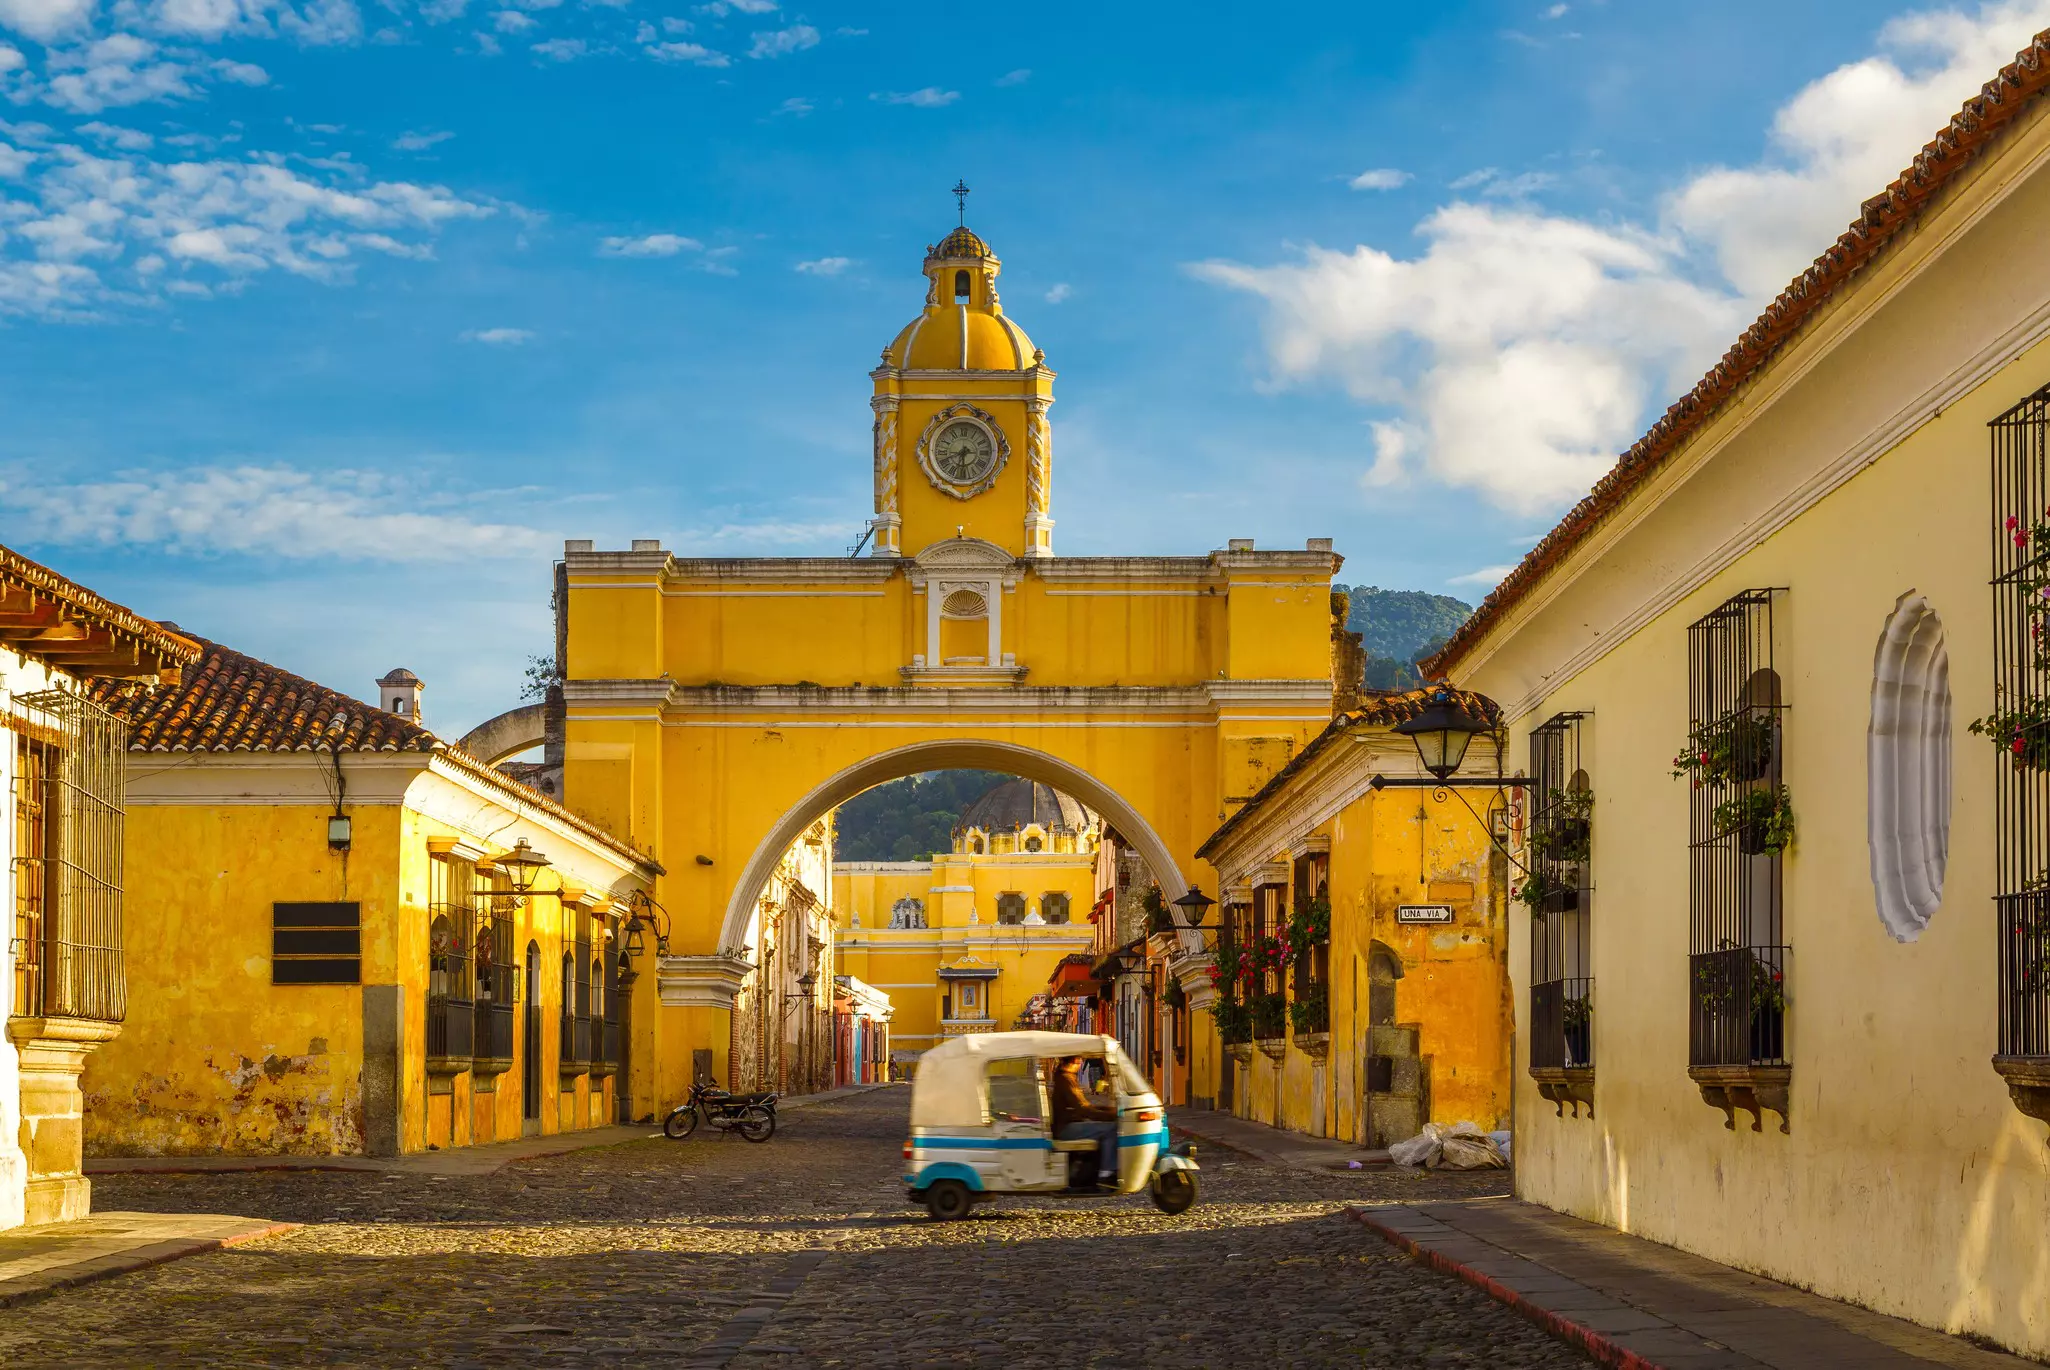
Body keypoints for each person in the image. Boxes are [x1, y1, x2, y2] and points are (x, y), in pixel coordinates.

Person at [1049, 1055, 1118, 1186]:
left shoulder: (1065, 1077)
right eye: (1080, 1060)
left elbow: (1084, 1106)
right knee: (1111, 1128)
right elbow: (1083, 1109)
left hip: (1069, 1124)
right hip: (1066, 1128)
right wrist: (1110, 1116)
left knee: (1106, 1126)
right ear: (1075, 1061)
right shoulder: (1065, 1079)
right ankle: (1107, 1172)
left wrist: (1106, 1110)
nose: (1081, 1063)